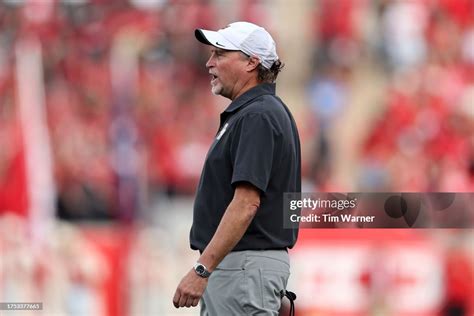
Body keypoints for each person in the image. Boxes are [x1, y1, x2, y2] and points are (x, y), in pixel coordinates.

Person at [173, 21, 301, 315]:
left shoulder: (258, 115)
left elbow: (246, 203)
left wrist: (202, 268)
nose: (209, 63)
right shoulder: (256, 113)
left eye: (220, 54)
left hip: (243, 266)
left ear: (251, 62)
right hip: (242, 267)